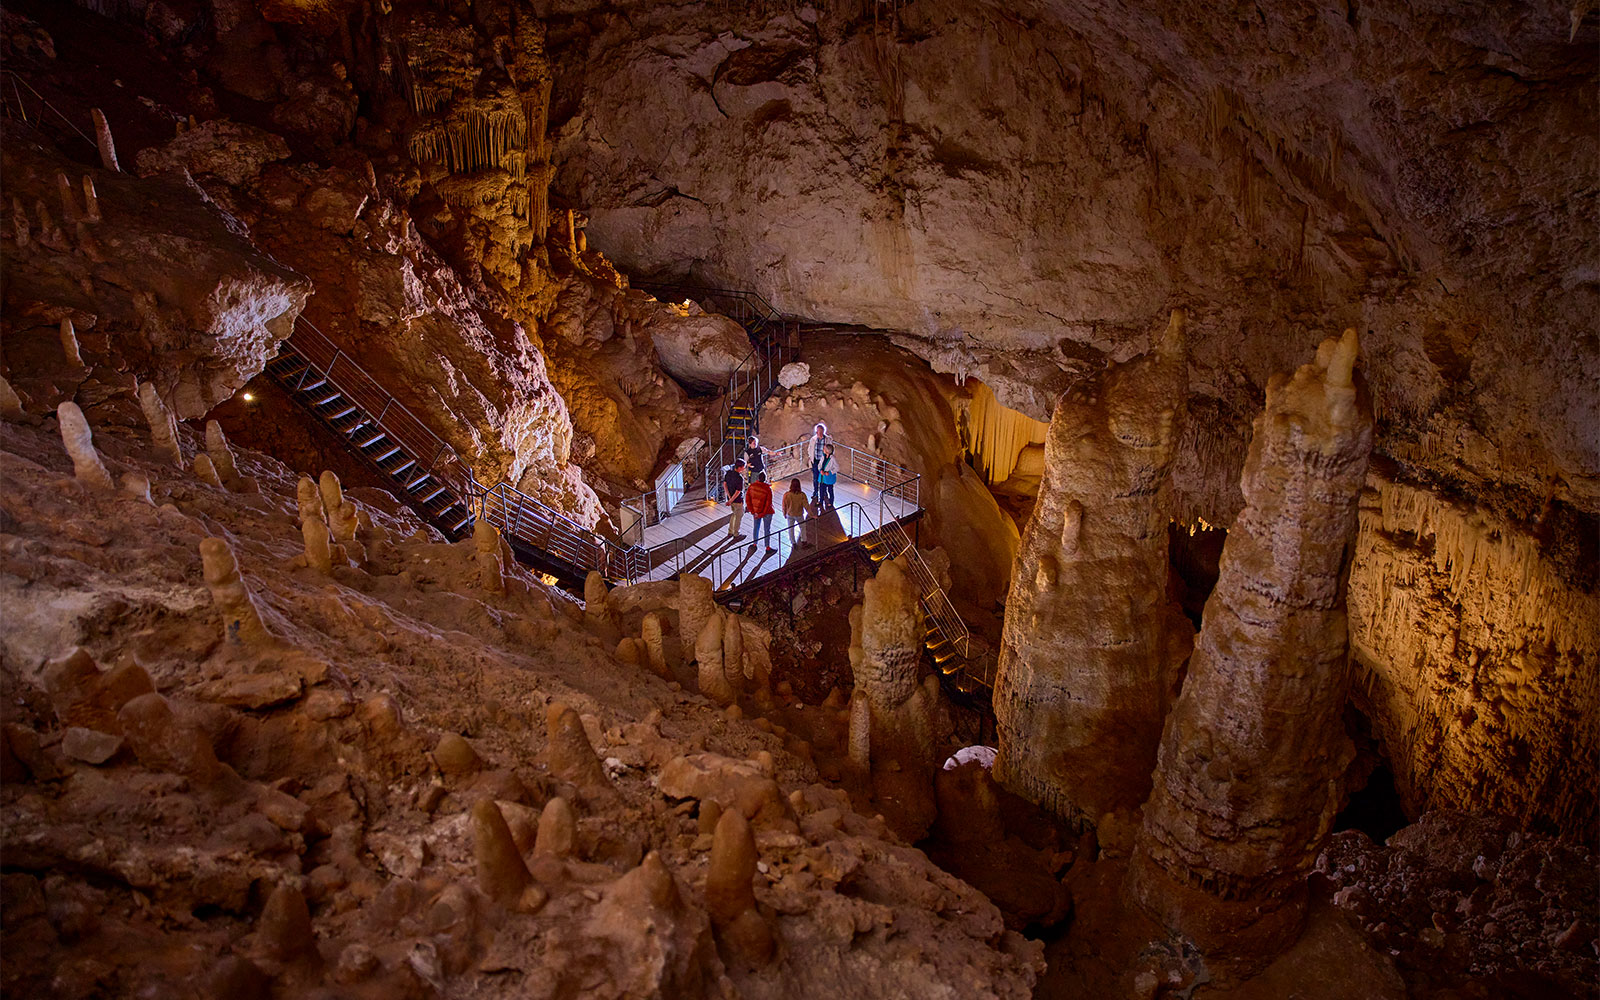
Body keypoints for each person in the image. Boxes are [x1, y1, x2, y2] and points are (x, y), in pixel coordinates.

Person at [745, 471, 775, 553]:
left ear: (758, 478)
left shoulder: (752, 487)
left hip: (756, 511)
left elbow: (748, 500)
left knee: (756, 527)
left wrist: (753, 511)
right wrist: (763, 513)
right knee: (767, 529)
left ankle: (754, 544)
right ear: (765, 479)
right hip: (767, 512)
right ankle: (767, 547)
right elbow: (768, 503)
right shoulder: (767, 489)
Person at [783, 477, 815, 546]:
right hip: (799, 514)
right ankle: (804, 541)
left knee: (791, 528)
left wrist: (784, 513)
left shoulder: (787, 495)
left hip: (790, 514)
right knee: (802, 527)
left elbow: (784, 505)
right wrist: (811, 515)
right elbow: (806, 506)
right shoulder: (802, 495)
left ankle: (793, 542)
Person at [723, 459, 746, 539]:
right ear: (740, 467)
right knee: (738, 516)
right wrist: (731, 500)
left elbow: (725, 484)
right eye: (743, 467)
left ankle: (730, 531)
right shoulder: (740, 478)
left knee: (733, 514)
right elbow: (738, 491)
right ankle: (736, 533)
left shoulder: (728, 473)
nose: (744, 468)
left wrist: (729, 497)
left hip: (730, 498)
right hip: (737, 500)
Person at [808, 422, 831, 497]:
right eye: (818, 431)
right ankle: (816, 491)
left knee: (824, 477)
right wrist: (811, 458)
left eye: (821, 431)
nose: (819, 433)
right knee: (815, 477)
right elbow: (810, 449)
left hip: (824, 461)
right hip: (816, 460)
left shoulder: (827, 439)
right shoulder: (813, 439)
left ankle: (824, 492)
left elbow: (831, 449)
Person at [817, 443, 838, 510]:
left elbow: (837, 468)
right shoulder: (823, 456)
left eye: (824, 448)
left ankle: (830, 502)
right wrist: (820, 470)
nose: (823, 449)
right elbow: (820, 464)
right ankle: (821, 501)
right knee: (821, 490)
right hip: (823, 477)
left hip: (828, 478)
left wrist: (829, 472)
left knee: (830, 490)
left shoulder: (833, 459)